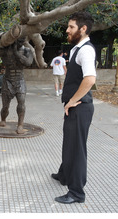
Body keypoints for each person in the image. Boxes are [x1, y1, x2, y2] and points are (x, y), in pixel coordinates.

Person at [51, 11, 96, 204]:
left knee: (76, 149)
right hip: (74, 107)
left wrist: (71, 101)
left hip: (80, 107)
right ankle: (64, 175)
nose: (67, 30)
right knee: (69, 144)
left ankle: (76, 193)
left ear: (83, 29)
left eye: (71, 27)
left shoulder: (86, 50)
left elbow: (90, 79)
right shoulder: (77, 49)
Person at [0, 36, 33, 134]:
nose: (21, 43)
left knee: (21, 103)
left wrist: (17, 54)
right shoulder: (6, 51)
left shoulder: (26, 50)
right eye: (19, 41)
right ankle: (3, 119)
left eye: (22, 41)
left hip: (20, 80)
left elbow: (28, 62)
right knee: (5, 106)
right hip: (8, 80)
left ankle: (20, 125)